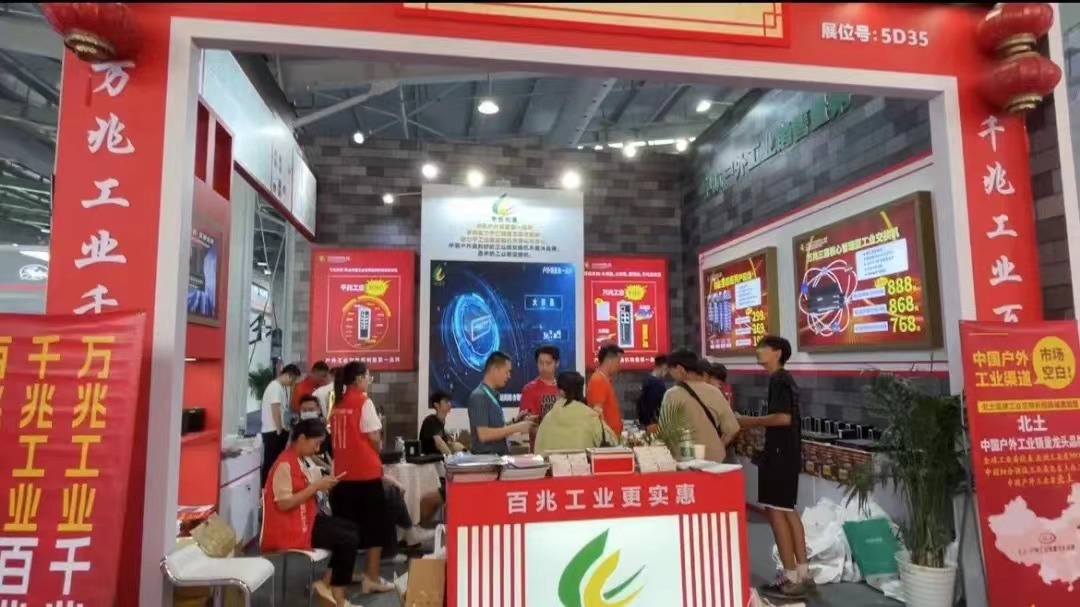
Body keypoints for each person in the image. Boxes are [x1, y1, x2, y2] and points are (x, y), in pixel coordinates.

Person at [260, 418, 359, 607]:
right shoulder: (284, 464)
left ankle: (327, 585)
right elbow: (283, 504)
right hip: (290, 528)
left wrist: (321, 486)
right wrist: (315, 487)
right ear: (302, 438)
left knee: (351, 529)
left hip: (304, 519)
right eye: (316, 443)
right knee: (347, 538)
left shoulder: (297, 460)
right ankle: (337, 596)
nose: (317, 449)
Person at [740, 336, 810, 599]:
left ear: (777, 353)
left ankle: (790, 577)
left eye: (763, 348)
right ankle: (803, 573)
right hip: (787, 453)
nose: (758, 351)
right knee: (787, 510)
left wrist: (749, 421)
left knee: (776, 511)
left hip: (780, 454)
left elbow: (783, 418)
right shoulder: (784, 379)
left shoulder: (779, 379)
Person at [327, 361, 395, 594]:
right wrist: (378, 447)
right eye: (368, 377)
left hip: (342, 477)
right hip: (365, 475)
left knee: (345, 532)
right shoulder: (364, 402)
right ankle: (371, 577)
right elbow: (375, 437)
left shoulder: (337, 404)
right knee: (375, 529)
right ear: (358, 379)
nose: (369, 381)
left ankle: (335, 582)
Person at [662, 350, 739, 462]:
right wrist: (718, 446)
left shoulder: (673, 394)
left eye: (671, 370)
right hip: (715, 460)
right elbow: (732, 429)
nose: (670, 374)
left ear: (680, 369)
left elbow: (665, 432)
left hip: (686, 460)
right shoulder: (715, 392)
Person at [467, 351, 533, 455]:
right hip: (487, 460)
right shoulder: (479, 396)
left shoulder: (490, 395)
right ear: (494, 370)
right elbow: (484, 435)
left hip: (497, 458)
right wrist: (516, 428)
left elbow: (495, 427)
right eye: (507, 372)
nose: (509, 376)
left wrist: (515, 421)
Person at [534, 371, 617, 452]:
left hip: (552, 461)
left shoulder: (547, 419)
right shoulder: (591, 417)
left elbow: (537, 452)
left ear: (561, 392)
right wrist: (602, 421)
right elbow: (613, 444)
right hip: (584, 461)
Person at [260, 364, 301, 487]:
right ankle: (266, 488)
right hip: (273, 431)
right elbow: (275, 409)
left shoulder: (279, 387)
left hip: (274, 430)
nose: (292, 384)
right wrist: (279, 430)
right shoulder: (275, 387)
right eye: (293, 380)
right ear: (288, 375)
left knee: (274, 462)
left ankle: (270, 487)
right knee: (271, 463)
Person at [520, 345, 561, 448]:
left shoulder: (563, 388)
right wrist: (548, 437)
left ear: (557, 363)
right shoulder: (529, 389)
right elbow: (528, 423)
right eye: (541, 363)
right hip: (540, 448)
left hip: (562, 446)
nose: (544, 367)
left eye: (548, 363)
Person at [587, 343, 625, 436]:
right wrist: (608, 436)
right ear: (610, 361)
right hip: (607, 439)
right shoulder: (598, 380)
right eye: (618, 362)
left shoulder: (604, 379)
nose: (619, 366)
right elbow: (597, 412)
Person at [419, 390, 464, 456]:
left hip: (438, 457)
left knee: (457, 445)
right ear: (436, 404)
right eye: (446, 401)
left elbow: (446, 443)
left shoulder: (441, 421)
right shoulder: (430, 421)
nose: (449, 404)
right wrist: (451, 458)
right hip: (429, 458)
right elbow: (439, 443)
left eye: (449, 401)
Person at [637, 355, 668, 429]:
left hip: (646, 422)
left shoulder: (647, 380)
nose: (667, 372)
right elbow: (656, 405)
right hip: (654, 424)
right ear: (663, 367)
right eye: (666, 369)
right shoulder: (656, 383)